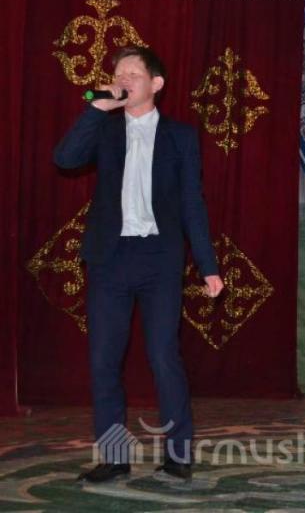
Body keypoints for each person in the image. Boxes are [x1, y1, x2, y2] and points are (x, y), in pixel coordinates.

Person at [54, 46, 224, 483]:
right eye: (119, 73)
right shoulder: (105, 130)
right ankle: (113, 457)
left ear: (156, 84)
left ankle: (178, 455)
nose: (123, 78)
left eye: (133, 72)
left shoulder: (180, 137)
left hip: (158, 259)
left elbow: (193, 204)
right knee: (103, 360)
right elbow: (65, 158)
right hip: (109, 258)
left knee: (164, 355)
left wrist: (207, 265)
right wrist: (97, 108)